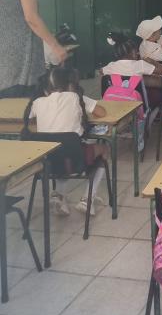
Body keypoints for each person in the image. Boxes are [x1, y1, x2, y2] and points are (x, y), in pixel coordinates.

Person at [23, 67, 107, 216]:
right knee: (104, 149)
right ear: (68, 83)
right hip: (75, 160)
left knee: (59, 148)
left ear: (45, 87)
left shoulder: (37, 102)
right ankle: (87, 199)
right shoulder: (75, 97)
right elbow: (102, 112)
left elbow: (28, 119)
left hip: (48, 163)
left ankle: (59, 195)